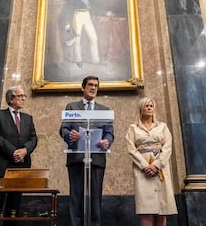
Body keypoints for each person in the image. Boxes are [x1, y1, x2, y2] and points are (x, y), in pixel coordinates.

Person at [60, 76, 114, 226]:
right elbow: (64, 129)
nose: (93, 88)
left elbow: (109, 132)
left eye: (96, 86)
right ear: (83, 87)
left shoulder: (105, 110)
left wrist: (106, 141)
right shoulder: (72, 107)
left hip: (96, 158)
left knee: (96, 197)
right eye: (90, 85)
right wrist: (70, 135)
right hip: (77, 157)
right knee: (76, 196)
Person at [0, 86, 38, 223]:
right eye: (20, 96)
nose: (23, 99)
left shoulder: (28, 118)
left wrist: (25, 150)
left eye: (24, 96)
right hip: (0, 168)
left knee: (14, 209)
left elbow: (34, 139)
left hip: (20, 168)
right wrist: (13, 152)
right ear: (10, 99)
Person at [126, 97, 177, 226]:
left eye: (151, 106)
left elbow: (168, 147)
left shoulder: (162, 127)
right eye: (146, 106)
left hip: (160, 169)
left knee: (162, 208)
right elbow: (131, 149)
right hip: (142, 170)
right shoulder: (133, 128)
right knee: (145, 209)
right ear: (141, 109)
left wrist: (156, 165)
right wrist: (145, 166)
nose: (149, 108)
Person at [67, 0, 100, 68]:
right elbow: (69, 0)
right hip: (77, 15)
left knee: (93, 38)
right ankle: (78, 60)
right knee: (77, 38)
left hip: (87, 15)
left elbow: (93, 5)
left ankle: (95, 60)